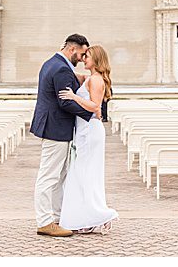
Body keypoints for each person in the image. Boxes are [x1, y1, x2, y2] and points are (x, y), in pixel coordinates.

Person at [30, 34, 92, 237]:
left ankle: (57, 217)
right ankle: (45, 221)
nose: (83, 59)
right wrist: (92, 113)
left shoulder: (52, 63)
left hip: (55, 126)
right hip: (55, 128)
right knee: (49, 176)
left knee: (59, 175)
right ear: (73, 49)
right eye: (82, 54)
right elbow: (64, 101)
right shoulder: (61, 68)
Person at [57, 44, 119, 233]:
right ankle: (86, 217)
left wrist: (73, 97)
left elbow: (94, 106)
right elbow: (71, 73)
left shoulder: (97, 80)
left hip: (90, 131)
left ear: (97, 59)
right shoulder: (90, 78)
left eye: (88, 56)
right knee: (81, 174)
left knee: (86, 173)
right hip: (84, 130)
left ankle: (97, 213)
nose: (84, 59)